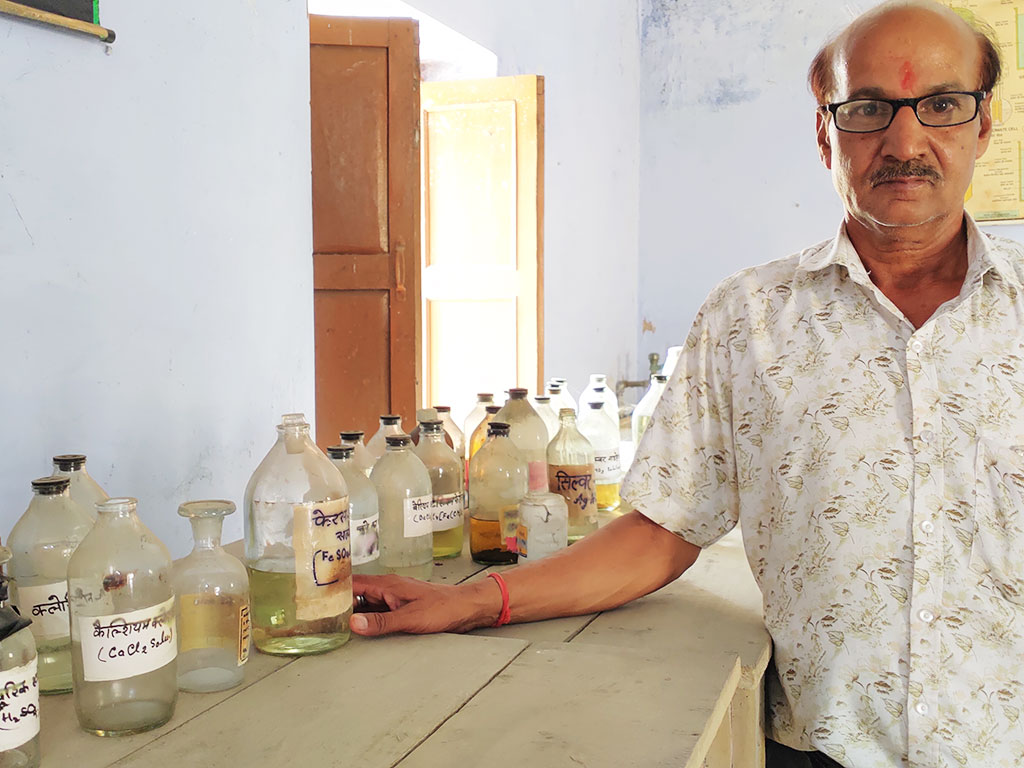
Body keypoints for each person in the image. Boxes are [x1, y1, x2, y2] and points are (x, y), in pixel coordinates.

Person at [352, 2, 1022, 765]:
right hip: (826, 750)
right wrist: (469, 600)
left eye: (941, 104)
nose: (904, 142)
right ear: (824, 134)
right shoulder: (751, 319)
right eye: (868, 108)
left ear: (983, 125)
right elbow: (661, 532)